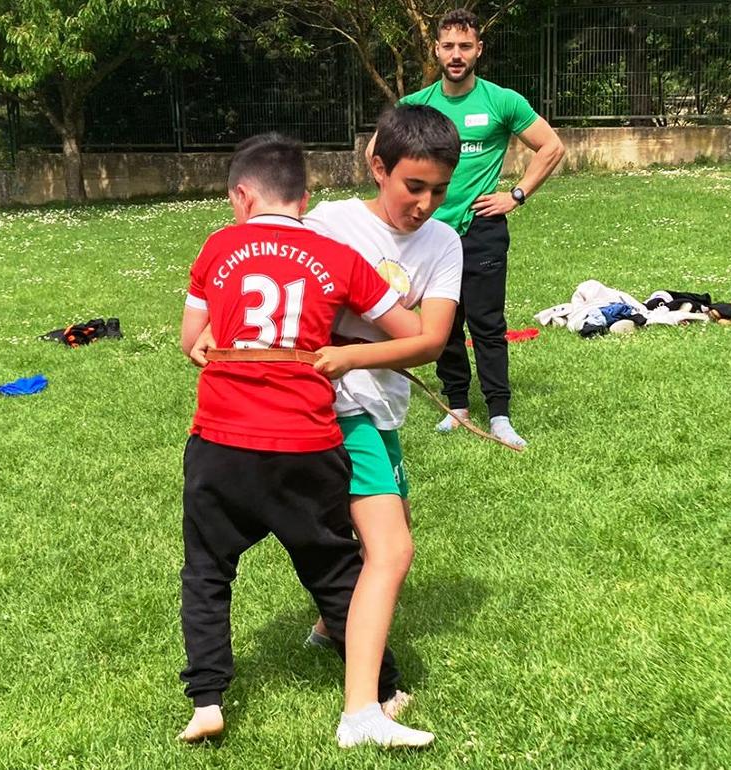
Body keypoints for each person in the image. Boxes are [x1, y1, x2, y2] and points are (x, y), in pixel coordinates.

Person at [177, 133, 436, 748]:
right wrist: (345, 348)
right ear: (305, 197)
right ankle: (382, 690)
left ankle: (207, 700)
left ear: (241, 197)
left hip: (222, 440)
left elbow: (192, 343)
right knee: (335, 569)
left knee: (207, 570)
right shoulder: (337, 255)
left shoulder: (217, 247)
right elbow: (412, 332)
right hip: (307, 440)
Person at [300, 104, 462, 726]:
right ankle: (365, 706)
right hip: (336, 408)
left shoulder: (444, 242)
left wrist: (352, 353)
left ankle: (329, 624)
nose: (425, 204)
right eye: (413, 186)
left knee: (387, 534)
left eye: (438, 191)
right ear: (378, 167)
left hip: (383, 406)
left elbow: (431, 340)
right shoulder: (329, 224)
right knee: (392, 549)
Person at [387, 7, 566, 448]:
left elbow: (551, 146)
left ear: (478, 50)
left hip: (482, 230)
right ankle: (458, 407)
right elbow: (380, 155)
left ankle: (500, 414)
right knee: (444, 325)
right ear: (436, 50)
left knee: (487, 324)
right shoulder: (415, 106)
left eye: (465, 46)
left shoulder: (502, 101)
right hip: (429, 234)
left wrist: (516, 195)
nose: (456, 54)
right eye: (448, 46)